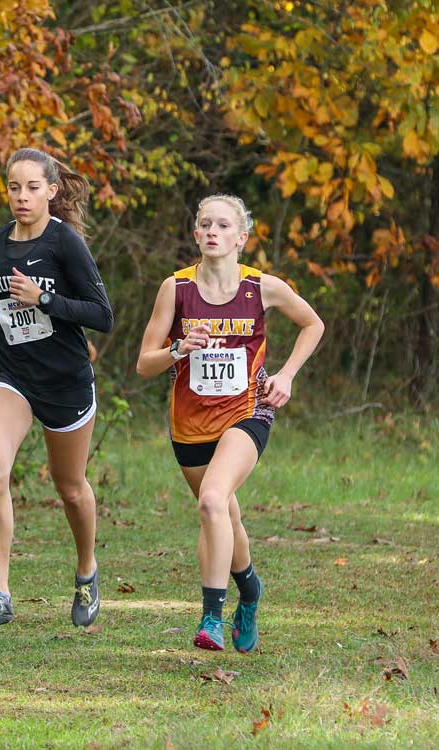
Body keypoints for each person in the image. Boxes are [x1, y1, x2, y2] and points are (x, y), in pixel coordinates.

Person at [136, 194, 324, 652]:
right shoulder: (174, 289)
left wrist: (287, 375)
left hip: (247, 411)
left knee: (212, 501)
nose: (213, 231)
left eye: (223, 225)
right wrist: (180, 348)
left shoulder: (261, 287)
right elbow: (144, 363)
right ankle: (251, 591)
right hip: (190, 423)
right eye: (205, 224)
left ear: (241, 237)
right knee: (223, 516)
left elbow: (313, 324)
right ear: (196, 234)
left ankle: (211, 619)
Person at [0, 147, 114, 628]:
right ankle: (1, 594)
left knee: (69, 488)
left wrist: (44, 298)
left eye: (31, 187)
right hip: (11, 372)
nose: (21, 197)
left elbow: (102, 316)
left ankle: (86, 570)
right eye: (13, 187)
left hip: (64, 381)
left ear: (51, 191)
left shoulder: (65, 244)